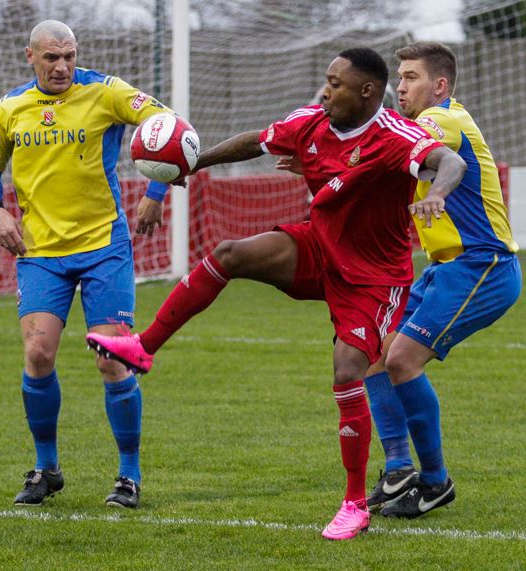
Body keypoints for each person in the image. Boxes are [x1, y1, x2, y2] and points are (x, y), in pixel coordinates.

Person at [86, 47, 467, 539]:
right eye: (326, 81)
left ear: (368, 92)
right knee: (229, 253)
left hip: (373, 279)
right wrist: (194, 162)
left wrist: (436, 192)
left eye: (336, 85)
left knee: (347, 369)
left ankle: (354, 504)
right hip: (318, 248)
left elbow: (448, 161)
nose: (325, 92)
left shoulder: (396, 136)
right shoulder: (312, 122)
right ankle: (143, 347)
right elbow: (257, 141)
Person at [0, 20, 175, 508]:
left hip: (104, 246)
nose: (62, 66)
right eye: (51, 57)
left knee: (112, 358)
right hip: (41, 252)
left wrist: (155, 191)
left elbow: (168, 124)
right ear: (30, 57)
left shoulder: (107, 92)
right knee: (38, 353)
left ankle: (128, 474)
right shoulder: (9, 107)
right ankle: (46, 468)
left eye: (69, 56)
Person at [360, 42, 522, 519]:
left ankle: (435, 482)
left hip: (484, 265)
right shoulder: (416, 129)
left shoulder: (441, 120)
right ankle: (398, 469)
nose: (400, 86)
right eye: (400, 76)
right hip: (445, 269)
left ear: (440, 85)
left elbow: (450, 163)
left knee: (402, 359)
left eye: (411, 77)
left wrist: (438, 193)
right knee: (375, 353)